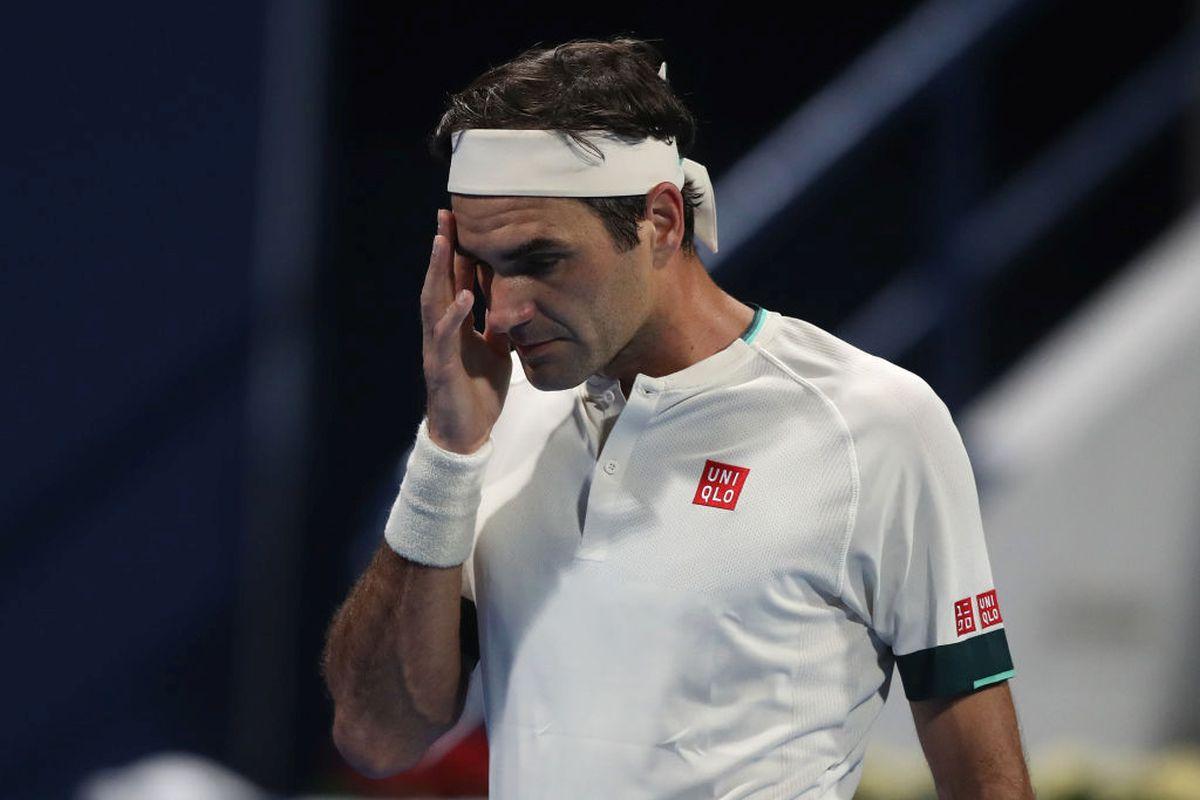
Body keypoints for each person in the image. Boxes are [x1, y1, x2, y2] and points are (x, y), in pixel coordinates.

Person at [321, 36, 1033, 799]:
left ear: (661, 220)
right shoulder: (489, 425)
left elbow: (986, 781)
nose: (504, 310)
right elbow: (375, 736)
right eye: (483, 267)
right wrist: (448, 448)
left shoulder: (877, 423)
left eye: (541, 259)